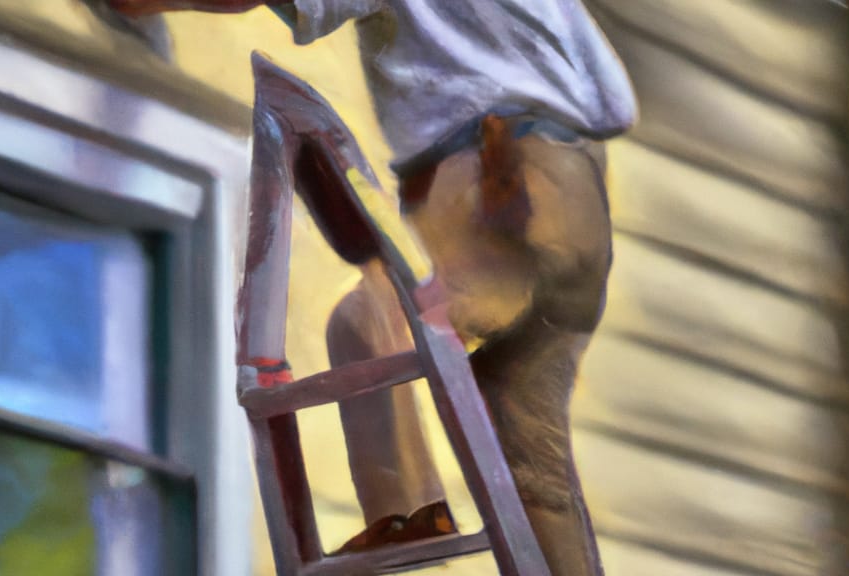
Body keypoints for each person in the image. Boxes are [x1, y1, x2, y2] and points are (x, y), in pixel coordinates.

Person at [112, 1, 636, 573]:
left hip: (499, 176)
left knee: (370, 321)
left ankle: (406, 514)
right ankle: (457, 530)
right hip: (578, 195)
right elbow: (610, 91)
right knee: (536, 464)